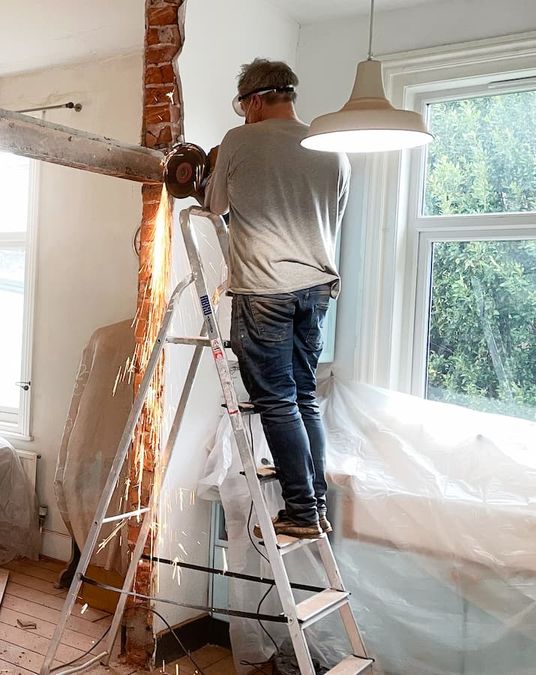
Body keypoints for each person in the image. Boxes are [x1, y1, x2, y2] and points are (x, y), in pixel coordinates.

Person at [202, 58, 351, 539]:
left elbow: (213, 208)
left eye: (243, 105)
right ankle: (315, 506)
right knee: (304, 397)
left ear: (255, 100)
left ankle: (303, 511)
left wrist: (218, 163)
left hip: (264, 288)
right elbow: (330, 217)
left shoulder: (240, 140)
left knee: (278, 402)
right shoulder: (333, 151)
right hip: (317, 290)